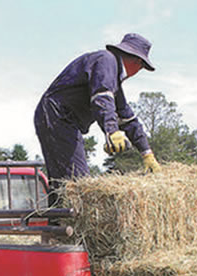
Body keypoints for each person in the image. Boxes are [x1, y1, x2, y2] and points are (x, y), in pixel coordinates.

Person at [34, 33, 162, 205]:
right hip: (57, 116)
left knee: (64, 184)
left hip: (61, 119)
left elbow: (128, 119)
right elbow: (102, 98)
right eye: (141, 67)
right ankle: (68, 227)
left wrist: (147, 154)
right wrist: (112, 131)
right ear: (137, 62)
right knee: (78, 184)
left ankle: (57, 227)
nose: (138, 72)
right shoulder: (106, 61)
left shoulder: (112, 77)